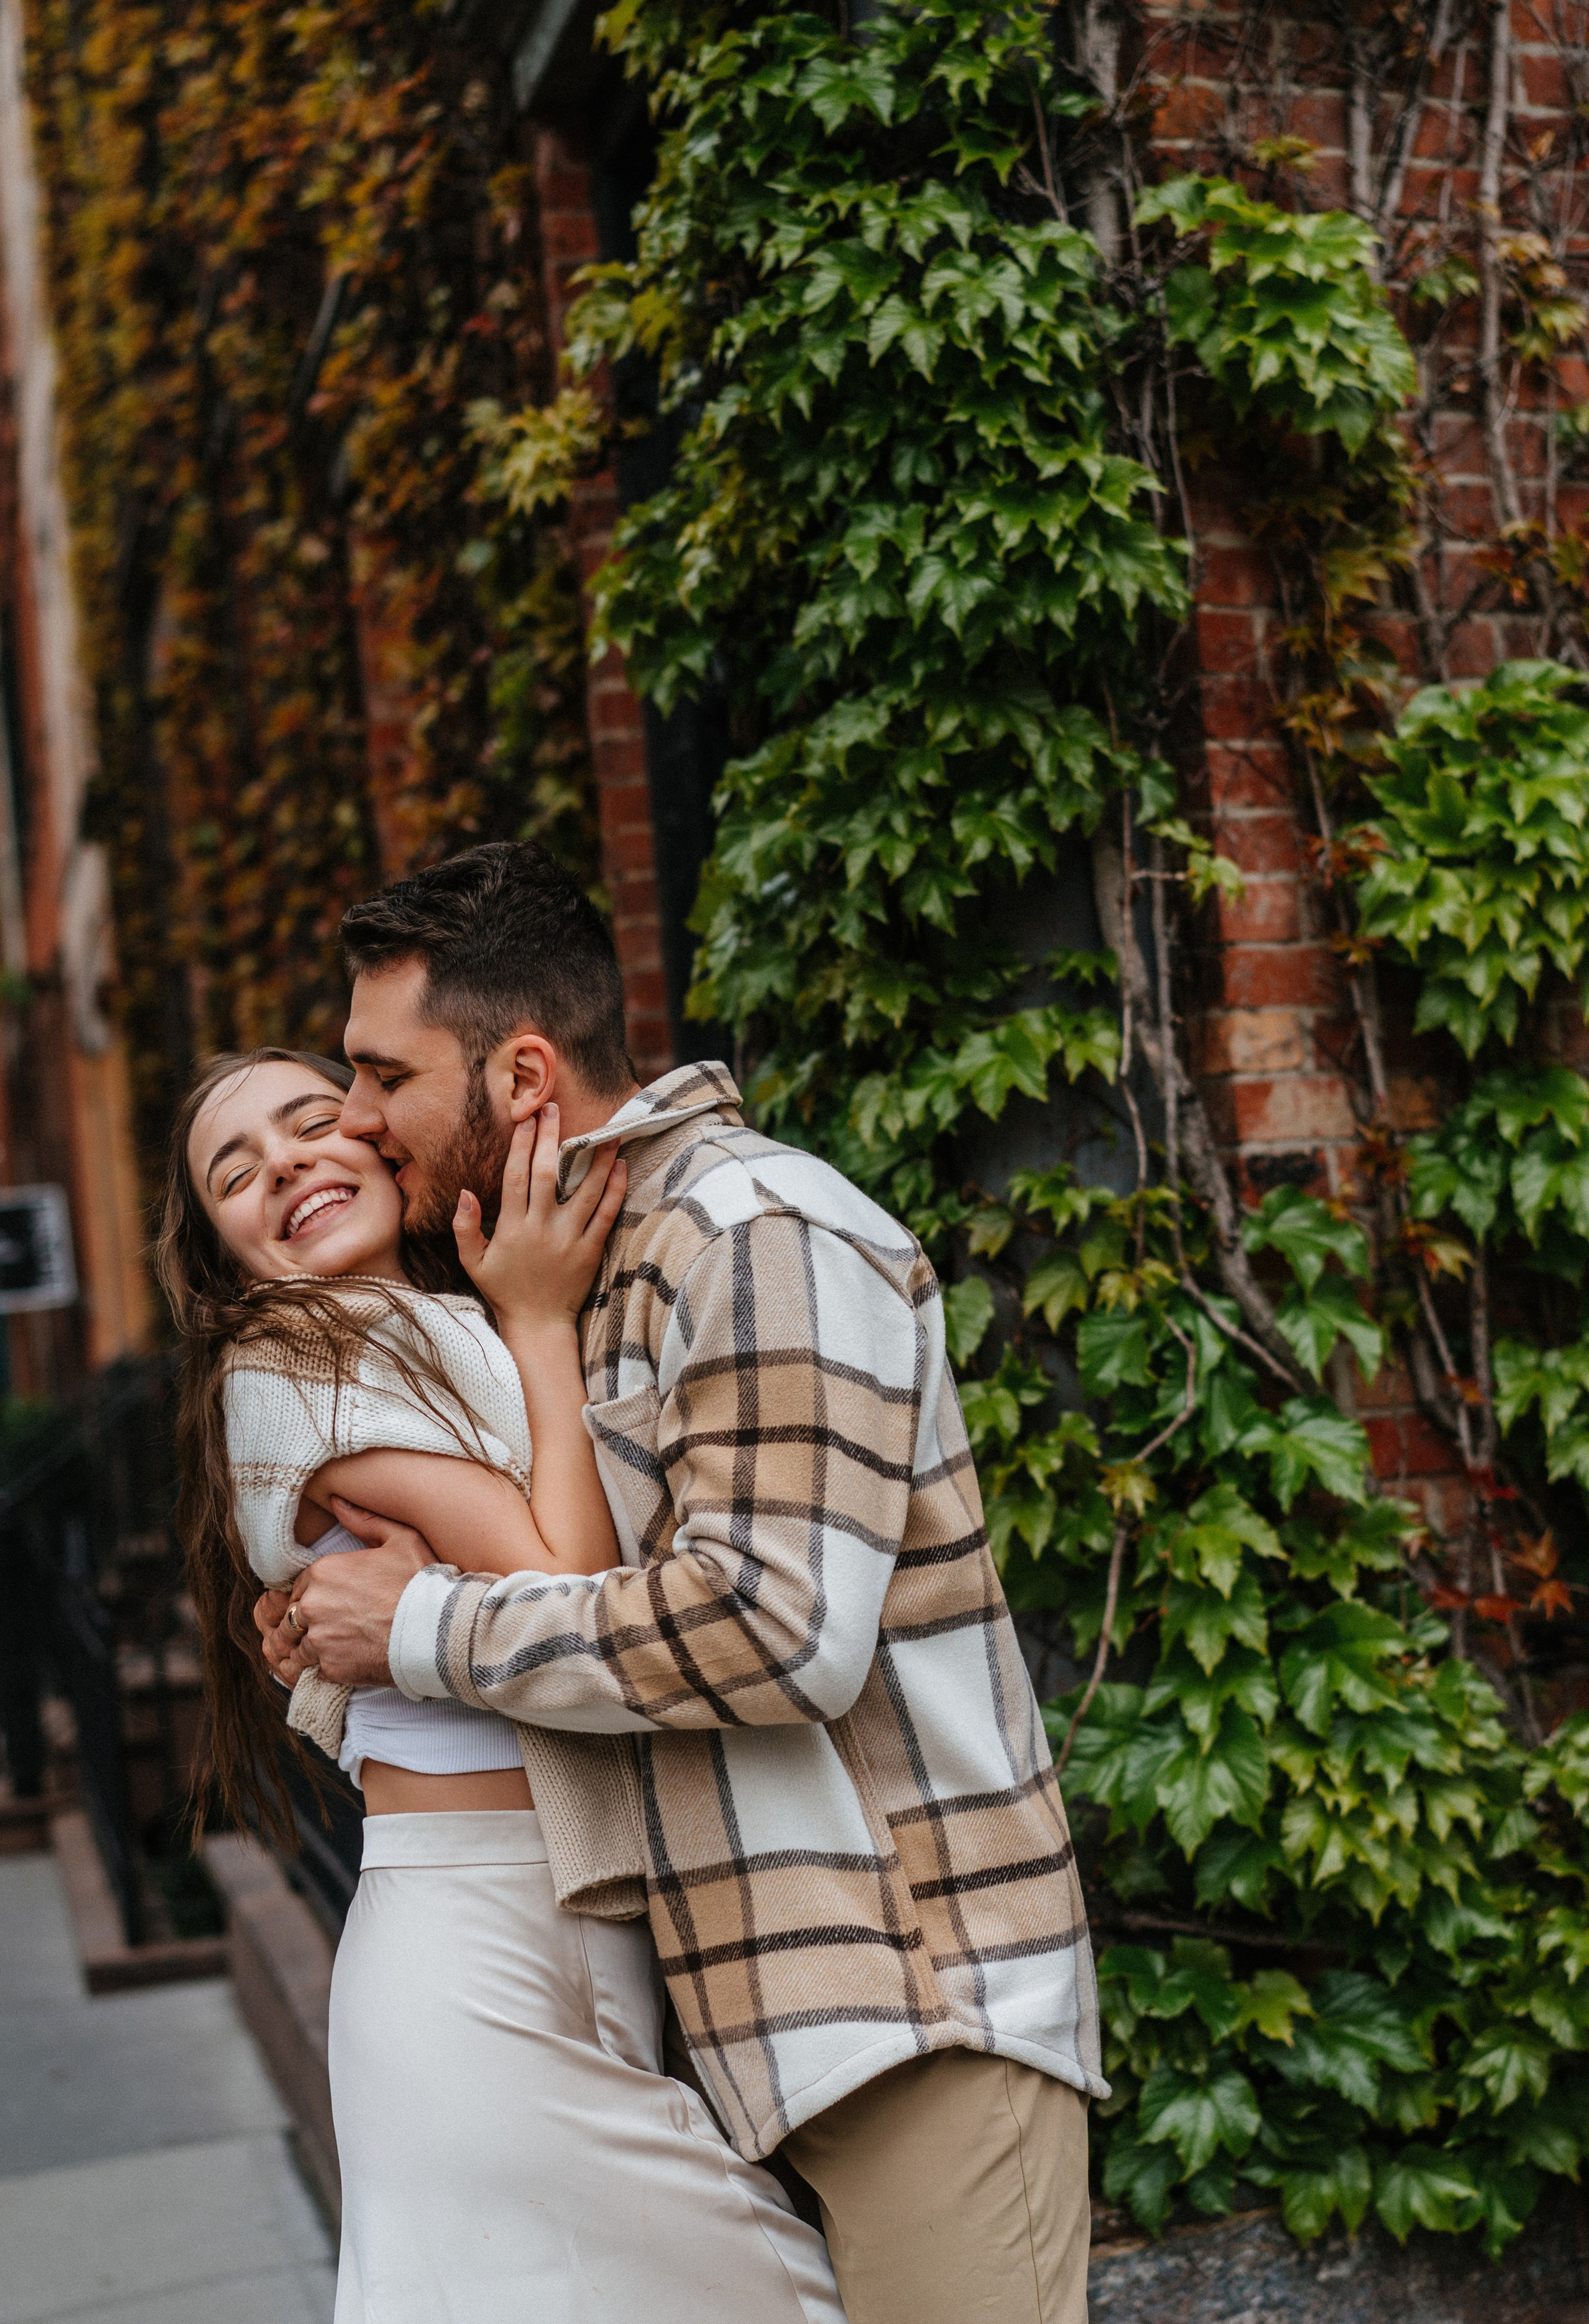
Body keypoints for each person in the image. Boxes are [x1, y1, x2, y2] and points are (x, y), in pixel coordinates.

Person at [259, 842, 1107, 2324]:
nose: (350, 1117)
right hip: (740, 2033)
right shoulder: (567, 1269)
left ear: (522, 1077)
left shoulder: (752, 1232)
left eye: (380, 1074)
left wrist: (418, 1628)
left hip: (911, 2015)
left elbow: (770, 1631)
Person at [159, 1042, 847, 2324]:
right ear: (228, 1260)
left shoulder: (426, 1326)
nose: (287, 1165)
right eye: (236, 1172)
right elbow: (563, 1590)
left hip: (549, 1928)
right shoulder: (293, 1363)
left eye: (312, 1121)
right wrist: (537, 1320)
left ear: (378, 1137)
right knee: (776, 2296)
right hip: (471, 1946)